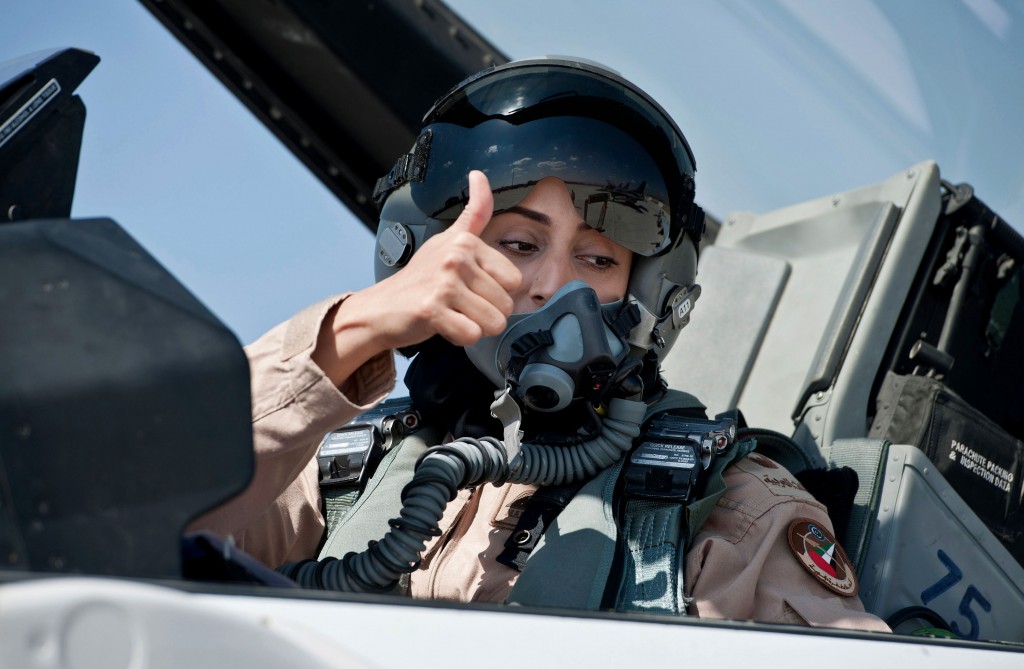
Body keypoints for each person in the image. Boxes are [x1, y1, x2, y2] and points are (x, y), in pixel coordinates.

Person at [192, 57, 889, 631]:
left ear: (647, 298)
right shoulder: (346, 470)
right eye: (518, 243)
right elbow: (131, 512)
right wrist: (354, 328)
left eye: (598, 261)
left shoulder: (733, 511)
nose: (552, 285)